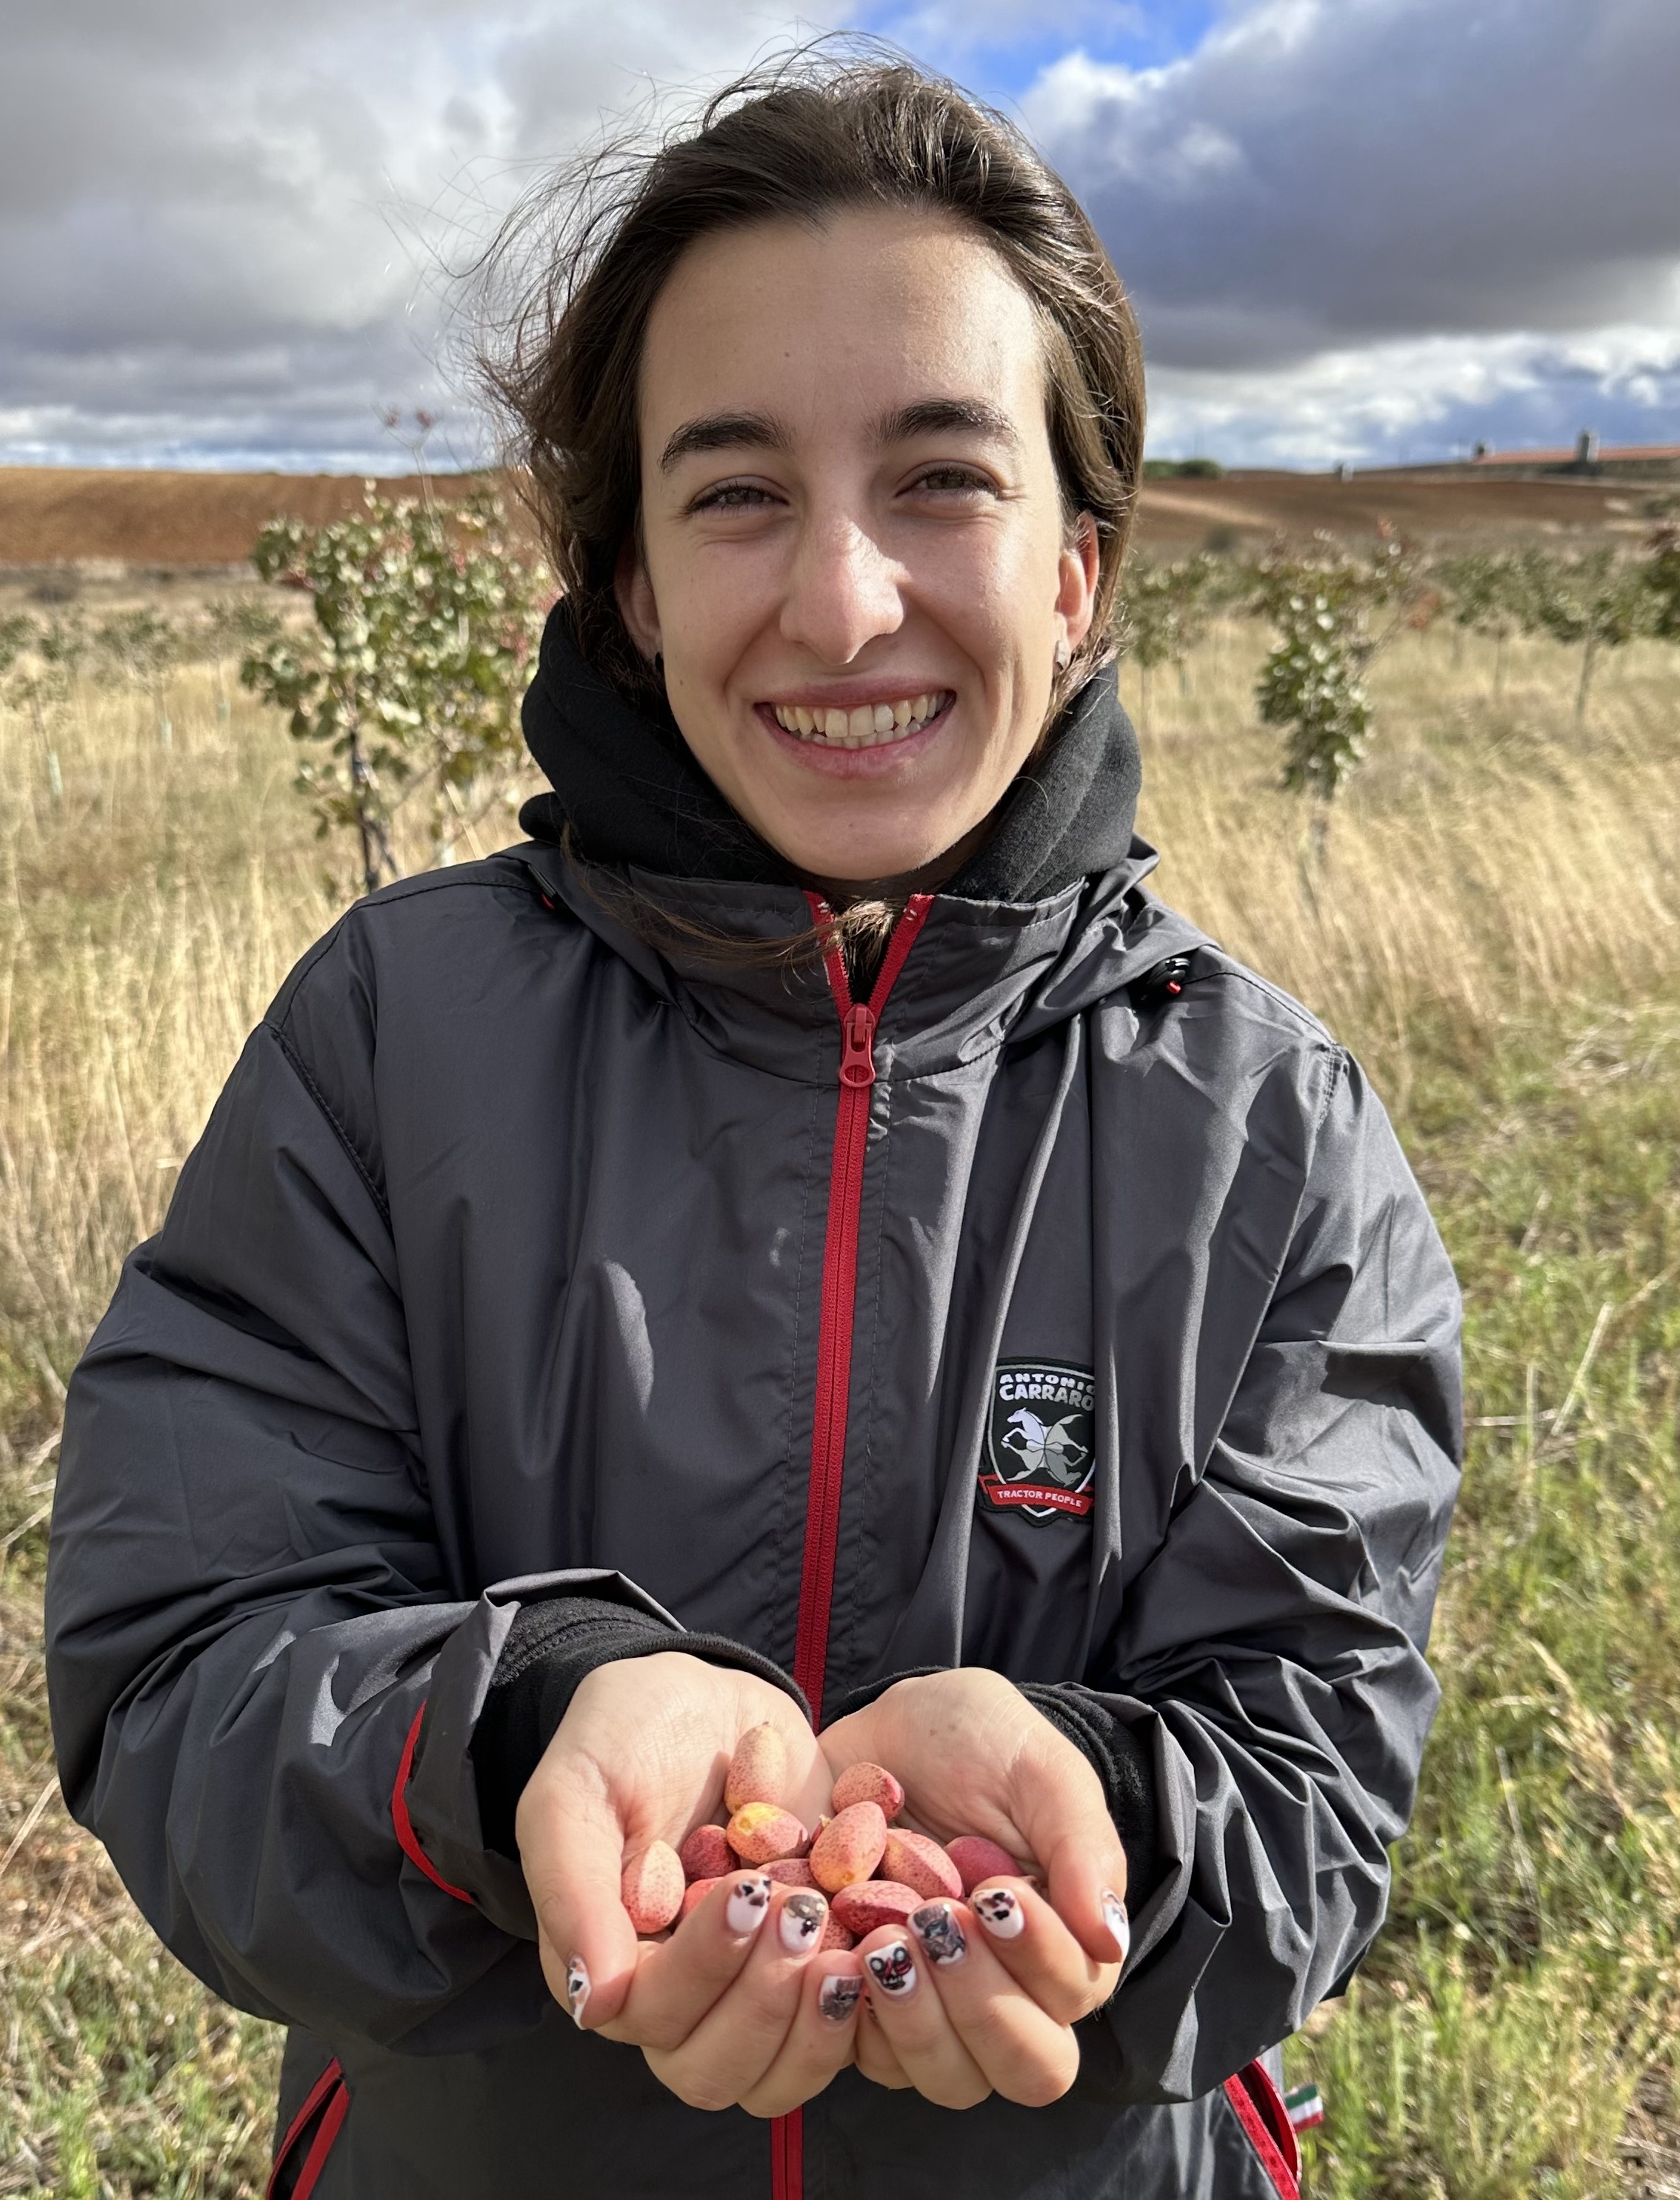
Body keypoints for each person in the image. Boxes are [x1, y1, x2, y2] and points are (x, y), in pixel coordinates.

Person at [44, 51, 1461, 2200]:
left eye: (937, 480)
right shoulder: (384, 1040)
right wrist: (509, 1735)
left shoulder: (1268, 1130)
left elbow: (1312, 1775)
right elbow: (174, 1671)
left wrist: (1093, 1829)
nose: (838, 602)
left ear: (1077, 575)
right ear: (625, 582)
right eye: (731, 493)